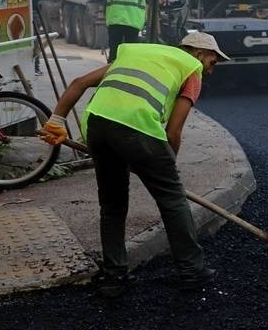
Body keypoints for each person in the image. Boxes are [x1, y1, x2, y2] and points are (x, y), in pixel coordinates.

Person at [38, 32, 230, 297]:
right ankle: (192, 271)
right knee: (173, 200)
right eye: (212, 62)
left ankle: (114, 276)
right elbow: (174, 131)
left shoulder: (136, 53)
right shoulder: (191, 69)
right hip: (139, 128)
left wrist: (56, 121)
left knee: (112, 204)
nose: (211, 70)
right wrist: (167, 168)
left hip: (97, 126)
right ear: (199, 53)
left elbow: (79, 83)